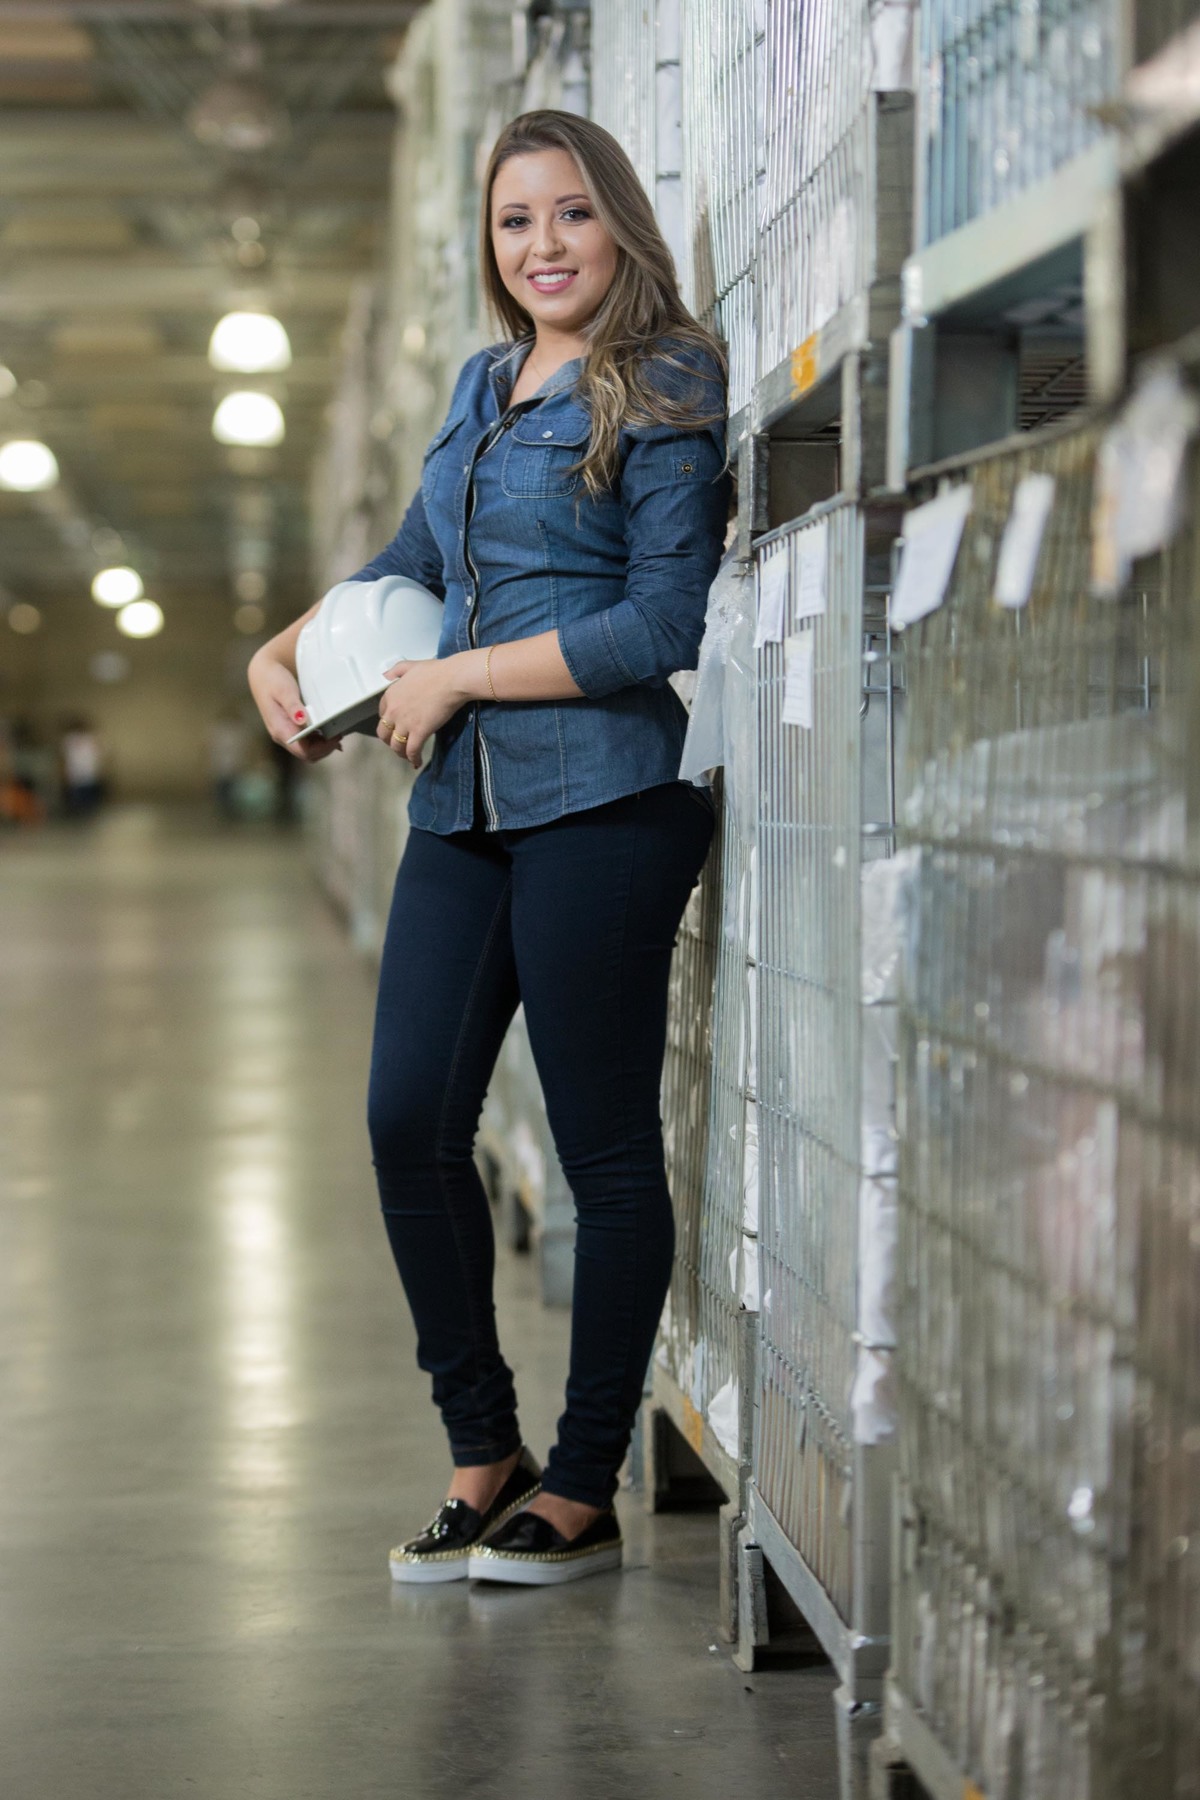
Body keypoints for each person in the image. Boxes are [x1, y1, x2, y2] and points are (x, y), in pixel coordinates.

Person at [248, 110, 730, 1587]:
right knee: (408, 1122)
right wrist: (287, 648)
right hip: (461, 809)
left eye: (571, 213)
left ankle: (582, 1485)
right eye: (516, 221)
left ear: (619, 222)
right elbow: (413, 561)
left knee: (602, 1151)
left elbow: (662, 622)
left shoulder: (665, 377)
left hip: (603, 802)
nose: (544, 246)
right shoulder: (481, 381)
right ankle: (484, 1453)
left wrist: (459, 673)